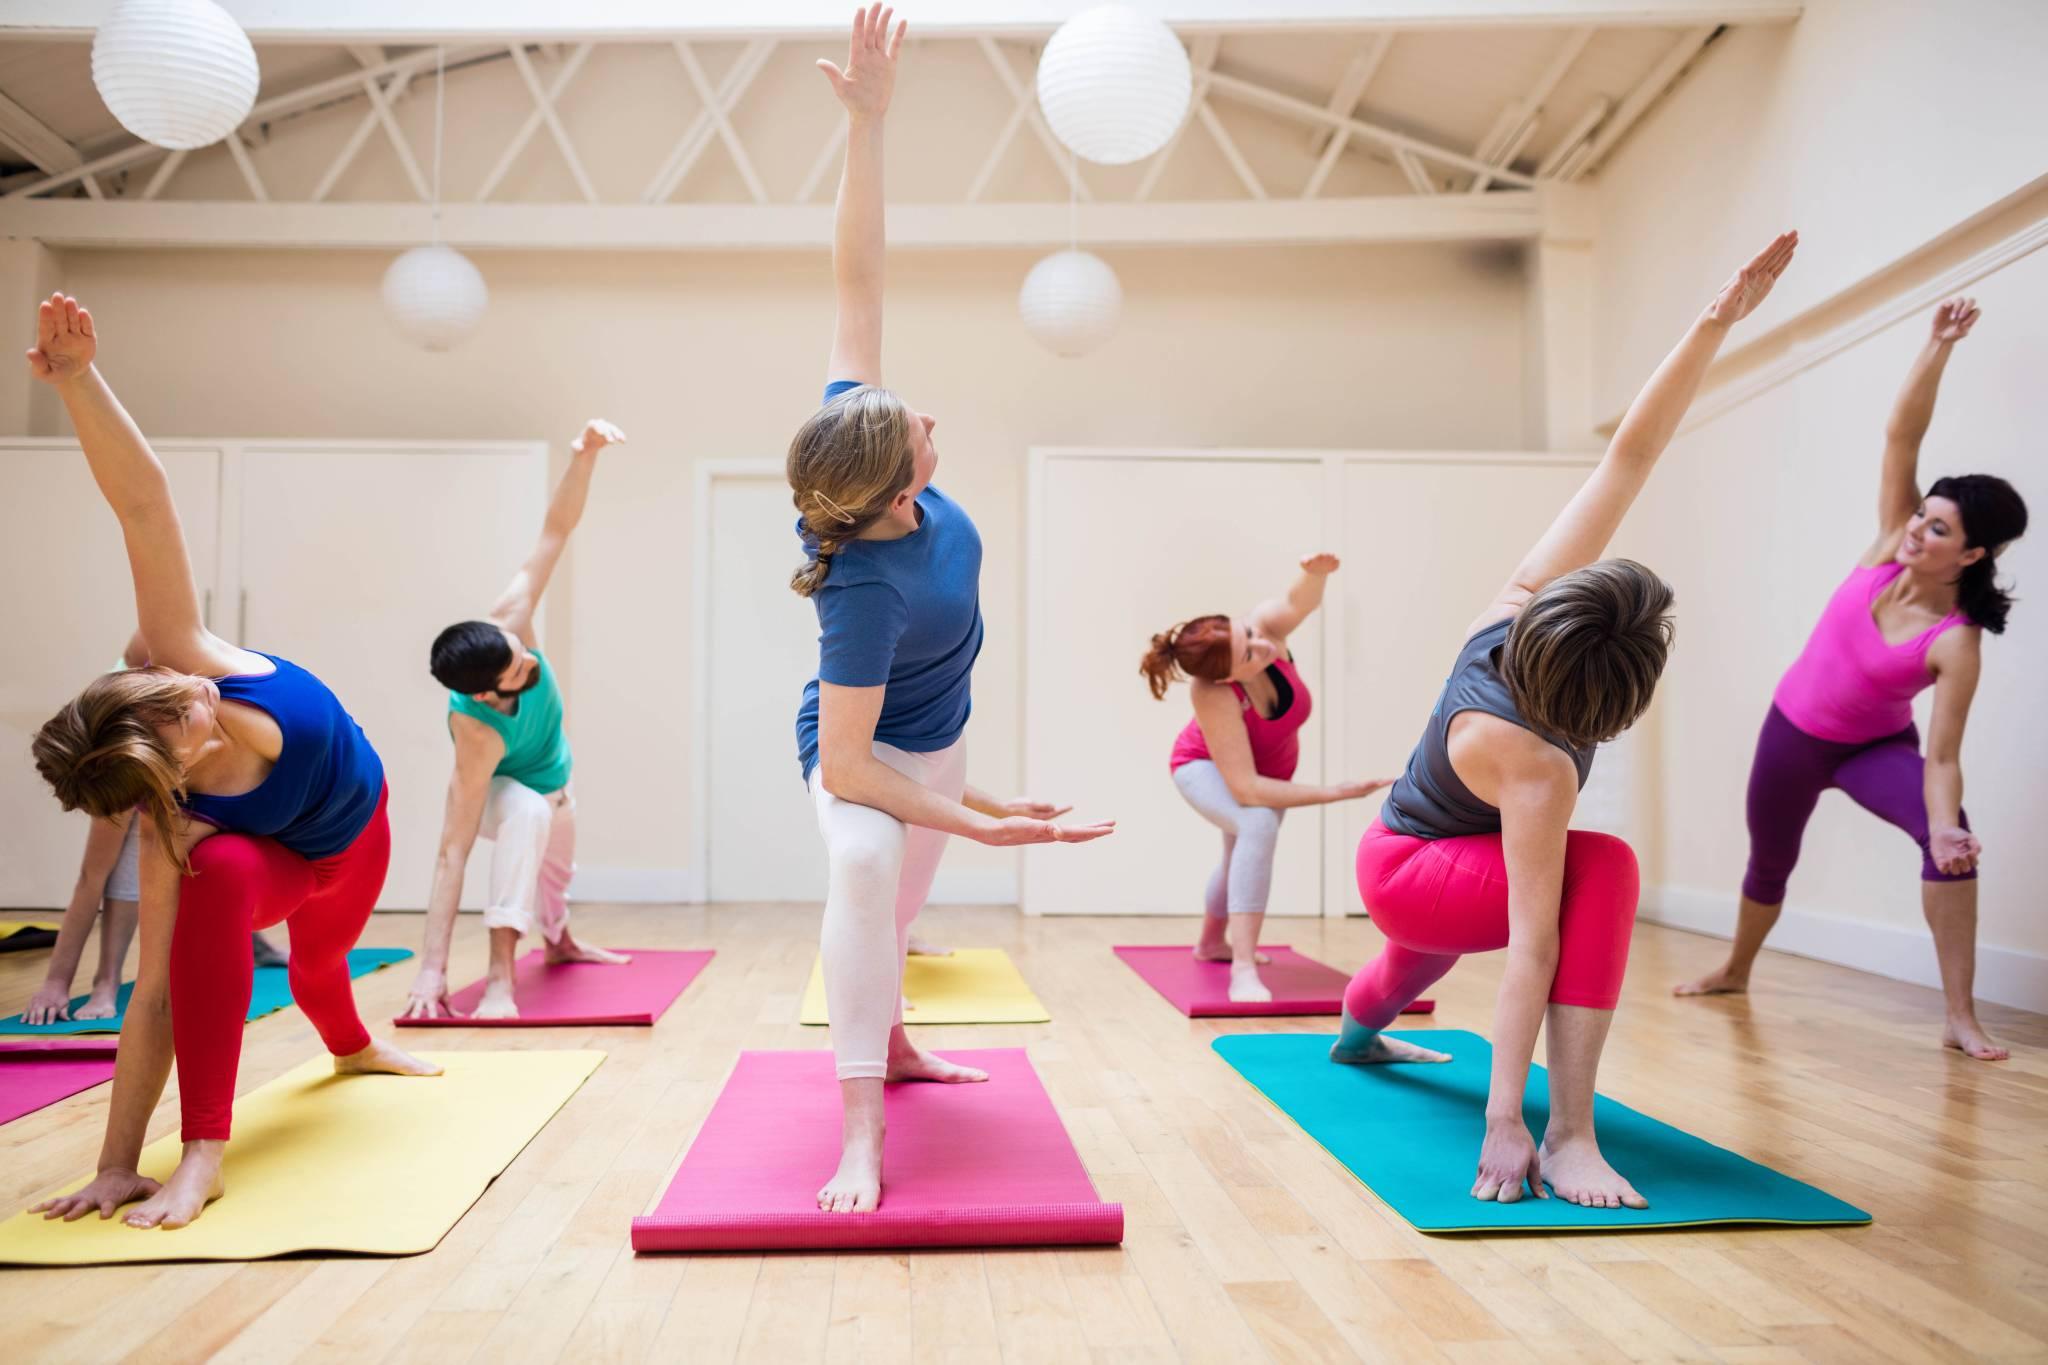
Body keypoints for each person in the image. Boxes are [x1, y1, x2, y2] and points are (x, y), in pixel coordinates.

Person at [1332, 233, 1799, 1210]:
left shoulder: (1515, 604)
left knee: (1400, 969)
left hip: (1400, 860)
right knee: (1605, 870)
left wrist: (1716, 322)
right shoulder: (1535, 762)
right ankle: (1572, 1131)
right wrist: (1506, 1122)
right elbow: (1531, 948)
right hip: (1419, 872)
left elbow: (1630, 457)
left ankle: (1357, 1024)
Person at [24, 293, 437, 1231]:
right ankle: (205, 1151)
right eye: (181, 724)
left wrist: (80, 382)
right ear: (164, 778)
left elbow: (143, 504)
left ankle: (354, 1046)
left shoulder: (187, 654)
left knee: (323, 965)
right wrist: (118, 1163)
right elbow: (157, 997)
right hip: (279, 861)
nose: (197, 700)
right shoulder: (178, 826)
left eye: (174, 690)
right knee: (213, 884)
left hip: (361, 835)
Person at [793, 5, 1113, 1215]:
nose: (930, 416)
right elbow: (854, 765)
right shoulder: (861, 592)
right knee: (869, 875)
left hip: (936, 739)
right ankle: (858, 1131)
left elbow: (856, 279)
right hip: (866, 760)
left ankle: (903, 1038)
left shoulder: (863, 460)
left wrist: (868, 128)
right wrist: (986, 825)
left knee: (908, 903)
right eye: (919, 421)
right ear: (898, 477)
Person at [1674, 299, 2027, 1061]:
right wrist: (1937, 346)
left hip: (1873, 748)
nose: (1916, 528)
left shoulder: (1956, 640)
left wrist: (1942, 825)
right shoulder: (1884, 544)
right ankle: (1736, 969)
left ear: (1971, 555)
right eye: (1922, 514)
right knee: (1770, 861)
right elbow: (1904, 434)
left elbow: (1940, 757)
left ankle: (1959, 1016)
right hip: (1793, 735)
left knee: (1951, 841)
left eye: (1938, 528)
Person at [402, 419, 631, 1021]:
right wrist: (432, 972)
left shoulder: (511, 621)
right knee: (526, 814)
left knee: (556, 881)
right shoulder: (474, 733)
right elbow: (452, 854)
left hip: (559, 783)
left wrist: (584, 456)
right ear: (483, 695)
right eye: (514, 666)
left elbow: (555, 532)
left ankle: (559, 939)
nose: (529, 655)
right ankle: (501, 976)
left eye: (520, 649)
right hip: (512, 793)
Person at [1141, 555, 1389, 1001]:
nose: (1264, 647)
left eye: (1250, 635)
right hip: (1203, 768)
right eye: (1248, 655)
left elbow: (1297, 603)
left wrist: (1315, 575)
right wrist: (1335, 792)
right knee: (1256, 826)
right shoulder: (1211, 693)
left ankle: (1210, 942)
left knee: (1239, 850)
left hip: (1266, 773)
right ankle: (1241, 968)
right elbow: (1245, 788)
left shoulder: (1264, 630)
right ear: (1228, 677)